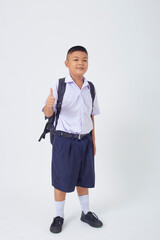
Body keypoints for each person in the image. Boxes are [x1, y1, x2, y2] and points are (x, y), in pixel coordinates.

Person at [42, 45, 103, 233]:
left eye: (84, 59)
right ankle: (58, 216)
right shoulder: (59, 85)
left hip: (84, 140)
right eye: (76, 59)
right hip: (64, 140)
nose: (80, 63)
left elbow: (91, 115)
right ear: (67, 63)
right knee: (61, 178)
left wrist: (93, 140)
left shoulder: (90, 87)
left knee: (84, 178)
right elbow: (47, 113)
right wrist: (48, 105)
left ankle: (86, 213)